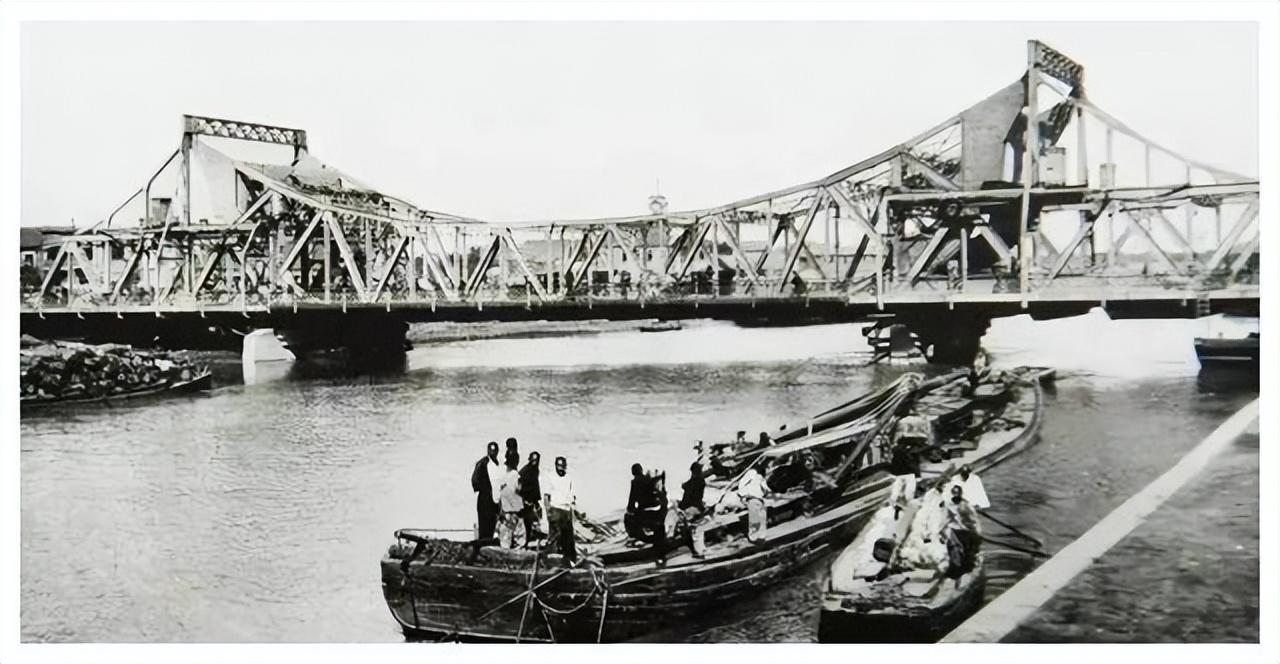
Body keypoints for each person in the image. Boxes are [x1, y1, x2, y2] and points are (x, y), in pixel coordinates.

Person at [944, 485, 982, 583]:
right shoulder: (948, 504)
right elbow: (945, 518)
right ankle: (954, 569)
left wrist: (978, 532)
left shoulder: (966, 505)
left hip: (965, 530)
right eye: (954, 493)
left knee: (966, 550)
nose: (956, 495)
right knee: (953, 547)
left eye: (958, 493)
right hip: (953, 529)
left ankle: (964, 568)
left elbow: (974, 519)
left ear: (960, 494)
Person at [544, 456, 577, 563]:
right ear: (555, 466)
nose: (561, 468)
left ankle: (569, 560)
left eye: (563, 466)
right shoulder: (551, 477)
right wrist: (548, 511)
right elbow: (546, 496)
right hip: (555, 509)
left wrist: (573, 509)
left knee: (568, 538)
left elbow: (572, 494)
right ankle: (552, 562)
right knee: (554, 538)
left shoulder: (568, 477)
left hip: (566, 510)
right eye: (559, 466)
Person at [470, 441, 502, 541]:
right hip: (485, 498)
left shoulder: (497, 464)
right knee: (485, 523)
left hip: (494, 499)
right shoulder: (483, 463)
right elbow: (475, 479)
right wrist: (484, 488)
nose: (493, 452)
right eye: (491, 450)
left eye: (495, 450)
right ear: (488, 450)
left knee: (492, 523)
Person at [496, 452, 526, 549]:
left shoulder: (503, 477)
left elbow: (500, 494)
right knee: (519, 537)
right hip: (516, 511)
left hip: (506, 511)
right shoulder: (516, 476)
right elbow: (519, 490)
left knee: (505, 538)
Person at [737, 460, 770, 543]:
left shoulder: (760, 476)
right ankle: (754, 536)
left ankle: (760, 536)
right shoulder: (752, 473)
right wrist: (742, 494)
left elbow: (765, 487)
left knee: (760, 516)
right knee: (755, 517)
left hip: (758, 498)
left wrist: (765, 492)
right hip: (752, 497)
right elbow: (742, 483)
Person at [519, 451, 544, 541]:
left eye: (536, 460)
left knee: (530, 521)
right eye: (533, 460)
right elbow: (520, 487)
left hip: (531, 500)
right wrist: (524, 500)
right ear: (529, 459)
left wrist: (536, 502)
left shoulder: (535, 470)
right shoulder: (525, 471)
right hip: (524, 500)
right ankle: (526, 540)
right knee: (526, 522)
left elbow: (535, 486)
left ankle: (528, 538)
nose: (535, 462)